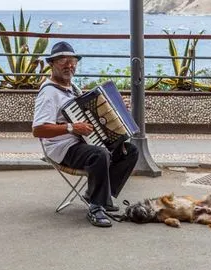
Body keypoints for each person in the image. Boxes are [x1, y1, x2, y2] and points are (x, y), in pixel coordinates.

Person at [32, 41, 139, 228]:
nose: (69, 65)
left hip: (81, 141)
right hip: (62, 147)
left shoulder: (72, 88)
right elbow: (38, 130)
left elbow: (89, 114)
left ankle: (100, 196)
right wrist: (72, 128)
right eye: (63, 61)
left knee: (130, 151)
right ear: (51, 64)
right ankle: (95, 208)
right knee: (99, 154)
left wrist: (119, 110)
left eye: (72, 61)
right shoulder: (49, 93)